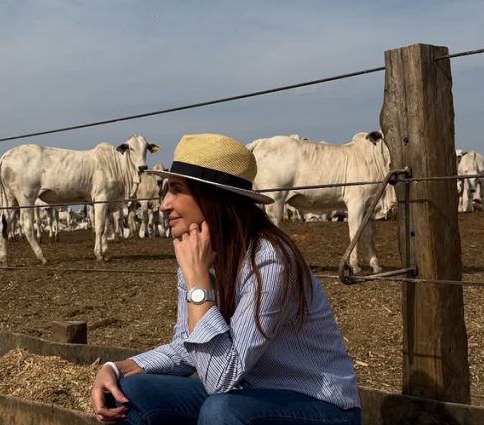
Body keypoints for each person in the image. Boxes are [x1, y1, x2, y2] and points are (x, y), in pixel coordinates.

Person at [91, 133, 361, 425]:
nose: (163, 204)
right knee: (129, 392)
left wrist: (197, 287)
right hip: (246, 395)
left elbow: (221, 378)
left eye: (177, 190)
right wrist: (118, 367)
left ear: (212, 198)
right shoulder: (202, 256)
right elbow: (189, 348)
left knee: (221, 412)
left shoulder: (269, 260)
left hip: (318, 407)